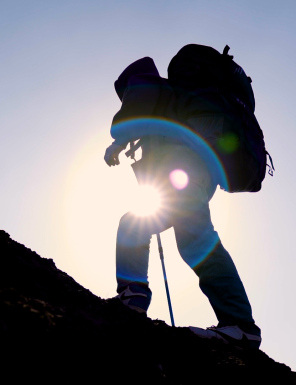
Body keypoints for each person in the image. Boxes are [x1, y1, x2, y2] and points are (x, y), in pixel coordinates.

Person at [104, 56, 261, 349]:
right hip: (199, 170)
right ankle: (134, 294)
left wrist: (117, 140)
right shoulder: (179, 99)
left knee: (192, 240)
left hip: (186, 169)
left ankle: (240, 325)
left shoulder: (144, 84)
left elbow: (133, 114)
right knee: (146, 226)